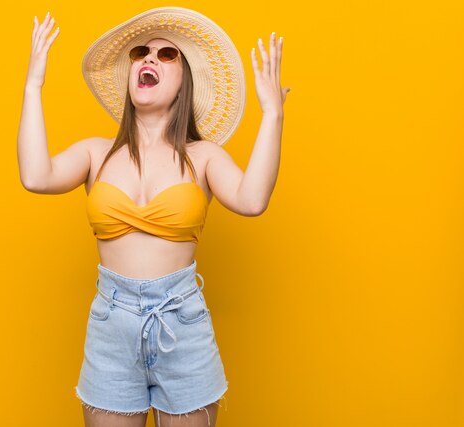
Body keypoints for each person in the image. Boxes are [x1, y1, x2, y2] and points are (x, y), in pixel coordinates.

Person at [17, 6, 290, 427]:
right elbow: (36, 176)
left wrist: (273, 115)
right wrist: (34, 85)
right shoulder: (96, 152)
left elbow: (252, 201)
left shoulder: (204, 157)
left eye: (167, 55)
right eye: (142, 52)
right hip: (111, 324)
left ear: (185, 82)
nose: (148, 59)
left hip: (182, 321)